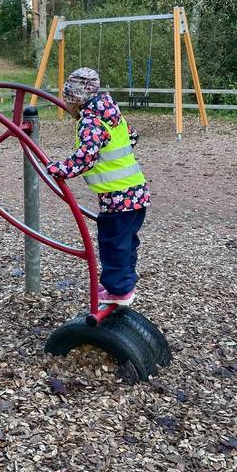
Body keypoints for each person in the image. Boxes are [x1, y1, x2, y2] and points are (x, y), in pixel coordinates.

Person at [46, 67, 150, 305]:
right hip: (137, 191)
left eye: (67, 101)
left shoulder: (90, 122)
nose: (66, 106)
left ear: (75, 100)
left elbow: (86, 158)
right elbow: (132, 137)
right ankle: (123, 284)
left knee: (113, 243)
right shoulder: (112, 115)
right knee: (126, 242)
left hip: (118, 196)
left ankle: (119, 291)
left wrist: (59, 168)